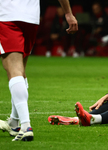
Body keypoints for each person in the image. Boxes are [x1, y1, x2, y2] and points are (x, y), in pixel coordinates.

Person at [0, 0, 78, 141]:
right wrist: (68, 13)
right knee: (21, 70)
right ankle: (14, 122)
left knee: (14, 70)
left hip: (7, 15)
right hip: (31, 18)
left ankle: (26, 126)